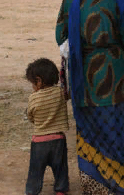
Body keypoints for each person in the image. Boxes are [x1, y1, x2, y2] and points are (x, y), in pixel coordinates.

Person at [55, 0, 124, 194]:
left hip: (83, 77)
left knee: (91, 127)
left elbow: (60, 36)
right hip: (116, 76)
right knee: (121, 125)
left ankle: (97, 185)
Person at [24, 58, 70, 195]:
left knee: (35, 170)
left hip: (39, 142)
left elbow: (30, 116)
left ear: (38, 81)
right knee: (61, 168)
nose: (32, 86)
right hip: (58, 139)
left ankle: (32, 191)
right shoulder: (61, 93)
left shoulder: (33, 98)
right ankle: (61, 190)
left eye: (32, 83)